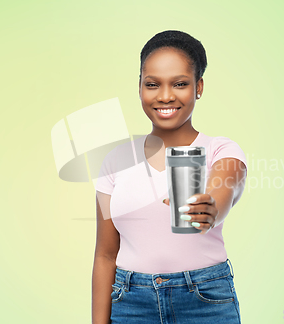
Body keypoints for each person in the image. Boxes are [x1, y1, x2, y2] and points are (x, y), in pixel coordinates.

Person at [91, 30, 247, 324]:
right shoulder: (115, 161)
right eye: (152, 84)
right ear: (139, 88)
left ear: (198, 87)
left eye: (180, 84)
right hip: (130, 302)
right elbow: (105, 255)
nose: (165, 95)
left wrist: (211, 206)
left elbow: (228, 181)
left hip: (205, 299)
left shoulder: (219, 149)